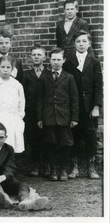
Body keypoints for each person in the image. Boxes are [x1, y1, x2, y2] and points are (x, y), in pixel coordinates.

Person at [0, 122, 49, 211]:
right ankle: (3, 197)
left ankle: (25, 201)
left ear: (6, 137)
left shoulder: (9, 149)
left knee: (23, 184)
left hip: (4, 178)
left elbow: (10, 166)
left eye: (1, 137)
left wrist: (3, 177)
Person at [63, 30, 103, 179]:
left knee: (90, 136)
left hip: (89, 108)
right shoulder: (68, 62)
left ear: (89, 44)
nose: (81, 44)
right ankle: (74, 167)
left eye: (84, 41)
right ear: (74, 44)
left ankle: (91, 168)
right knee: (74, 135)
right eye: (78, 41)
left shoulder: (94, 62)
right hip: (74, 107)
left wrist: (96, 106)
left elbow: (99, 86)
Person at [36, 47, 79, 181]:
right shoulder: (44, 77)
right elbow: (39, 99)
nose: (56, 62)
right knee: (50, 142)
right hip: (48, 116)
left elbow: (74, 99)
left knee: (65, 143)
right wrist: (39, 118)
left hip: (64, 116)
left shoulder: (69, 77)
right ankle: (53, 169)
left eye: (58, 59)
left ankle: (63, 169)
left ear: (64, 60)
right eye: (53, 59)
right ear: (49, 60)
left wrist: (74, 118)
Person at [21, 45, 50, 176]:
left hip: (47, 111)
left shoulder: (49, 73)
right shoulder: (26, 75)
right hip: (31, 111)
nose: (36, 57)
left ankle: (48, 164)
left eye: (39, 54)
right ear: (30, 57)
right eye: (34, 55)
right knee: (33, 138)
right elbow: (21, 94)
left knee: (48, 137)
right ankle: (36, 164)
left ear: (44, 57)